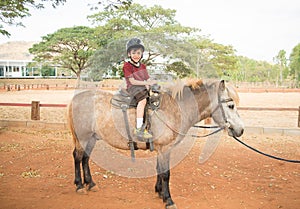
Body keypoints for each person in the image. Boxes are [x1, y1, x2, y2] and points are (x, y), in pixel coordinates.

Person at [123, 38, 156, 139]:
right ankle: (138, 128)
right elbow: (132, 81)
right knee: (142, 101)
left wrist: (152, 82)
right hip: (133, 88)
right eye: (133, 53)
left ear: (142, 54)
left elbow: (147, 78)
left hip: (141, 87)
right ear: (129, 54)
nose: (136, 55)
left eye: (138, 53)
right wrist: (146, 83)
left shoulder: (143, 66)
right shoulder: (127, 66)